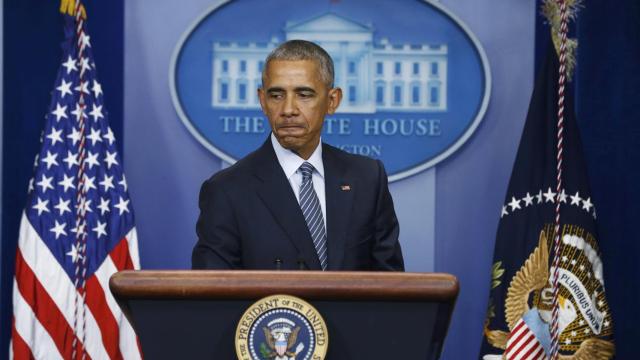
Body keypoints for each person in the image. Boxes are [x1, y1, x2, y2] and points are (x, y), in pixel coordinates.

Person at [192, 40, 404, 271]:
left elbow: (392, 288)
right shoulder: (226, 190)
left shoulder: (367, 179)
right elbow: (214, 297)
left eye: (304, 94)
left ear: (332, 101)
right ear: (262, 101)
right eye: (276, 95)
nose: (288, 109)